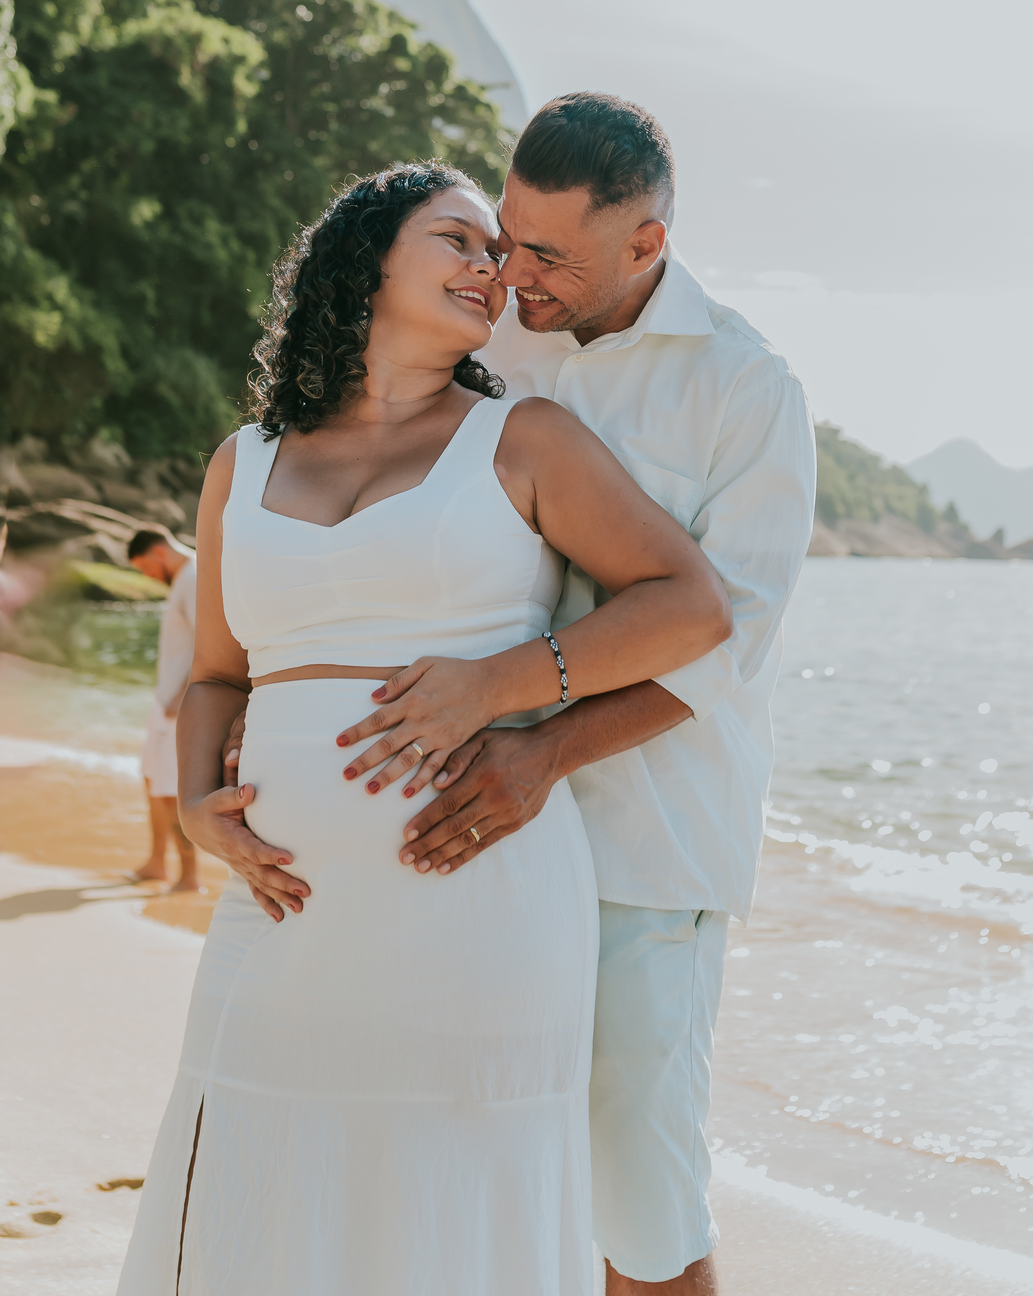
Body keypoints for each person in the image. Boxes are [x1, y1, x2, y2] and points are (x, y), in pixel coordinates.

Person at [227, 95, 817, 1295]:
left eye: (550, 255)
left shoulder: (747, 390)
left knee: (637, 1192)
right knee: (480, 1159)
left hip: (646, 843)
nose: (515, 272)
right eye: (505, 238)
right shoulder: (497, 341)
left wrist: (541, 746)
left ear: (647, 243)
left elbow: (724, 640)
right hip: (463, 845)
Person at [117, 161, 730, 1296]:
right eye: (459, 239)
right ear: (368, 259)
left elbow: (691, 603)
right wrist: (202, 806)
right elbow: (215, 672)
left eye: (497, 255)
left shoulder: (524, 439)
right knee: (254, 1166)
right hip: (280, 905)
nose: (491, 269)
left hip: (476, 901)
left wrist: (504, 683)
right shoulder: (239, 462)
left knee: (453, 1199)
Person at [127, 528, 199, 893]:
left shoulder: (193, 577)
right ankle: (157, 863)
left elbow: (211, 642)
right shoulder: (184, 579)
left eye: (145, 568)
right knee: (153, 779)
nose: (147, 577)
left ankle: (189, 875)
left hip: (178, 705)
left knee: (170, 789)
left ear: (158, 552)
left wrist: (182, 695)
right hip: (165, 701)